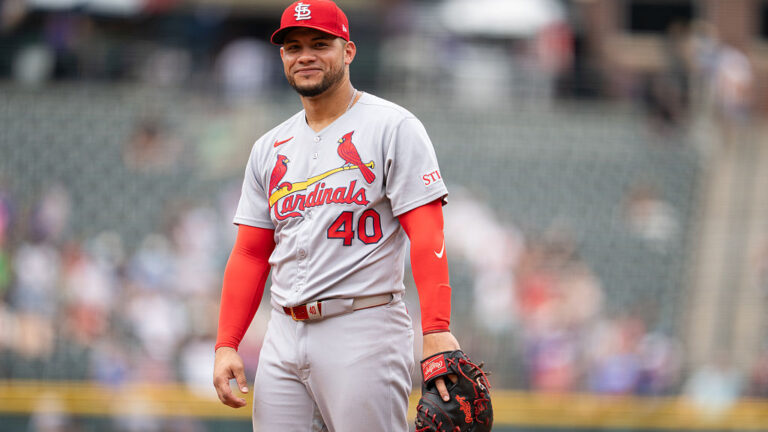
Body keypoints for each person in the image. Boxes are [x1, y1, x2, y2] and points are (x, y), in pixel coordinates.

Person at [212, 1, 461, 430]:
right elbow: (251, 253)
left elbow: (426, 233)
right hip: (284, 332)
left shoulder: (392, 127)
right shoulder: (269, 147)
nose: (305, 55)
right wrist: (226, 343)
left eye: (319, 43)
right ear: (282, 57)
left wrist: (436, 329)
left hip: (363, 326)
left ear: (348, 51)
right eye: (293, 46)